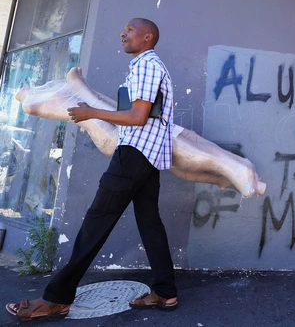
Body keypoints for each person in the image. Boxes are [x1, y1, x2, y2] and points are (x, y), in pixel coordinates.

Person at [6, 18, 178, 321]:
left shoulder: (148, 65)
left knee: (95, 224)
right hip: (147, 156)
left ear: (148, 37)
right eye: (123, 28)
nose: (123, 32)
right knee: (150, 223)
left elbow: (138, 117)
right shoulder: (144, 65)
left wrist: (90, 112)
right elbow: (144, 114)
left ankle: (56, 299)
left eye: (130, 30)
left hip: (135, 154)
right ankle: (165, 292)